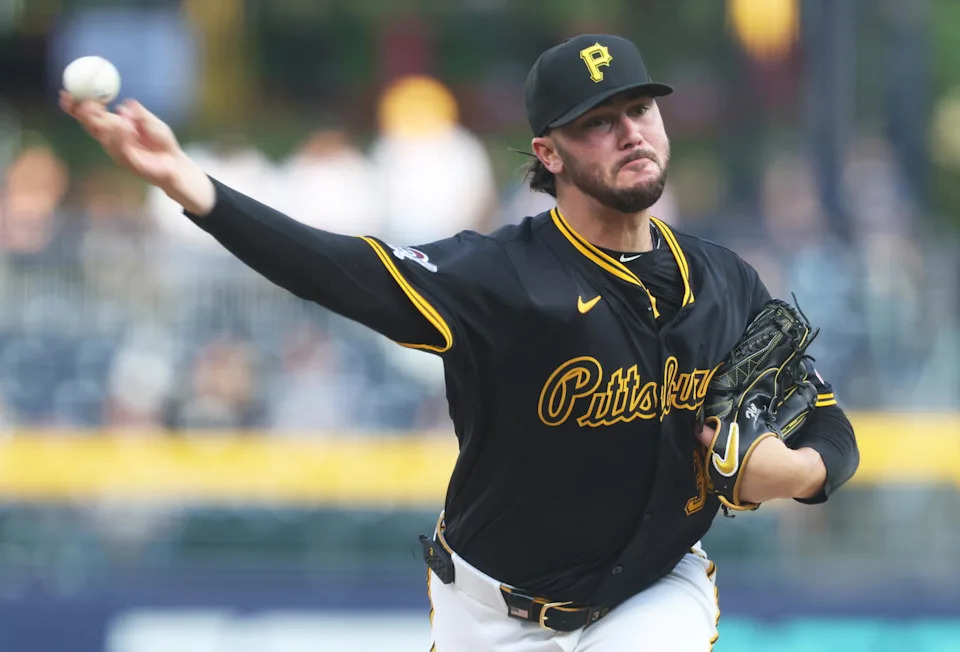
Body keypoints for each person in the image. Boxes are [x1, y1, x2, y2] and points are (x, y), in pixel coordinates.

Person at [61, 33, 859, 652]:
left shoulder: (724, 283)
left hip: (653, 590)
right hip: (492, 606)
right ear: (548, 154)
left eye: (640, 110)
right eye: (598, 123)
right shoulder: (501, 278)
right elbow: (337, 269)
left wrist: (797, 471)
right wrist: (189, 187)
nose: (630, 133)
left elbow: (829, 422)